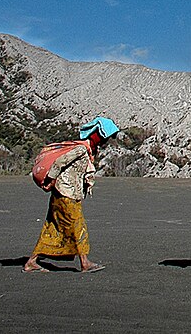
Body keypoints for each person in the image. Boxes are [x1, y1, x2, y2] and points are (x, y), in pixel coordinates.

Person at [23, 116, 120, 273]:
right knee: (78, 225)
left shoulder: (87, 150)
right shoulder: (81, 149)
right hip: (66, 194)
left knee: (52, 227)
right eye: (105, 138)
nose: (105, 142)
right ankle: (85, 262)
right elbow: (59, 163)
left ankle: (31, 262)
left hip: (64, 193)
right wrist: (52, 180)